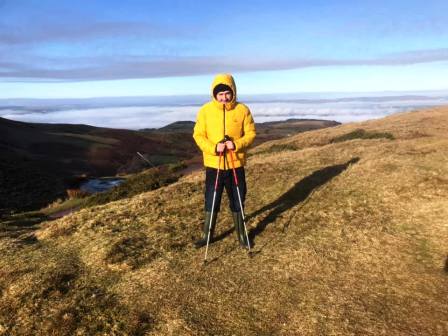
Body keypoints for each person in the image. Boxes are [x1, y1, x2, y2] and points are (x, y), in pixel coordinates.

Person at [192, 73, 256, 248]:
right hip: (214, 164)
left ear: (233, 92)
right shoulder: (205, 111)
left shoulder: (242, 110)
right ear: (214, 94)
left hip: (236, 163)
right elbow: (198, 135)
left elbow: (251, 134)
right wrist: (214, 148)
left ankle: (242, 235)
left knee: (237, 198)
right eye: (220, 94)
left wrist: (235, 144)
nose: (224, 97)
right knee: (212, 198)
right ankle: (207, 236)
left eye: (227, 93)